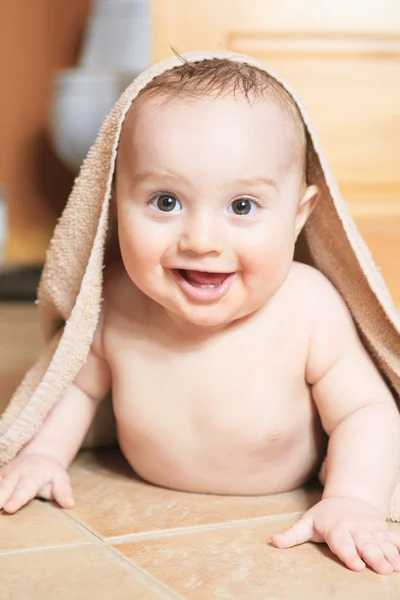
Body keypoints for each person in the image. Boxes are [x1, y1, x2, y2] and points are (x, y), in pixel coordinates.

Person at [1, 56, 400, 575]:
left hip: (264, 553)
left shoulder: (309, 308)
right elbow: (77, 387)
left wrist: (353, 500)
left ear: (298, 217)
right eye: (165, 201)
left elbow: (366, 413)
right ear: (112, 202)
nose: (201, 241)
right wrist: (44, 455)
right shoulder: (118, 300)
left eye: (241, 207)